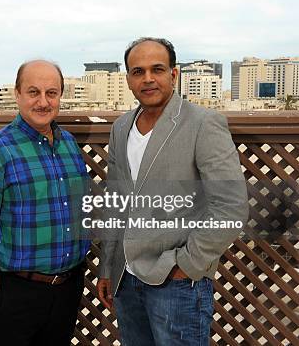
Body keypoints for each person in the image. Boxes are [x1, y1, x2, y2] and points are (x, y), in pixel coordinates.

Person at [96, 38, 249, 345]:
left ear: (174, 75)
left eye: (158, 69)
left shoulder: (203, 123)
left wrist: (187, 265)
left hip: (176, 284)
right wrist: (107, 267)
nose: (148, 78)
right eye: (138, 71)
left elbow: (231, 208)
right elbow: (116, 203)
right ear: (128, 79)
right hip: (126, 280)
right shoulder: (121, 127)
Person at [0, 60, 91, 346]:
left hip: (67, 290)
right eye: (34, 92)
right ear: (17, 94)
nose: (43, 102)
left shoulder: (68, 144)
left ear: (60, 96)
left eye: (51, 93)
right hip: (16, 293)